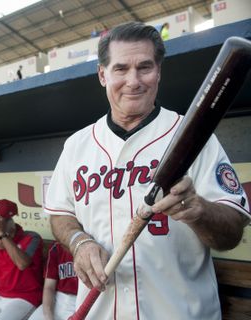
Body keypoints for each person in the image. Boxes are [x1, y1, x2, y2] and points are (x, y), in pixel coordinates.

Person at [44, 21, 250, 320]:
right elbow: (60, 213)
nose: (133, 80)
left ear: (159, 72)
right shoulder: (77, 145)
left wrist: (198, 210)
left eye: (144, 67)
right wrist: (80, 242)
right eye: (120, 69)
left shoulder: (194, 134)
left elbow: (230, 234)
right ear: (102, 75)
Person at [28, 242, 78, 320]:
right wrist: (48, 315)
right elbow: (49, 287)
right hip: (57, 299)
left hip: (81, 301)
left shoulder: (96, 245)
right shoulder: (56, 247)